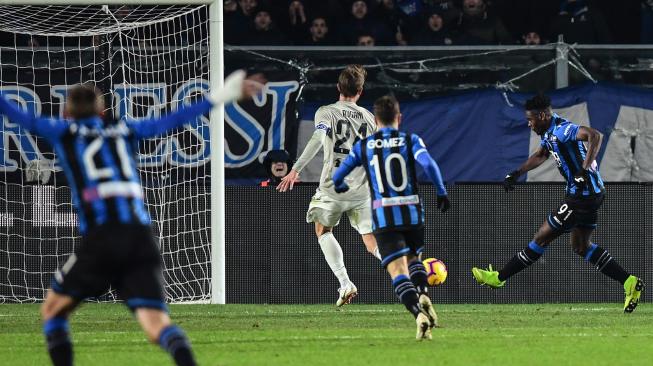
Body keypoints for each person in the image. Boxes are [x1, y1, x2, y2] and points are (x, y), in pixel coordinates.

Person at [0, 70, 260, 366]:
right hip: (140, 236)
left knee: (53, 311)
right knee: (156, 326)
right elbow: (171, 120)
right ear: (102, 111)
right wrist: (220, 96)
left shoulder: (62, 131)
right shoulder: (125, 129)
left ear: (65, 112)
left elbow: (17, 115)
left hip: (101, 239)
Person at [472, 94, 644, 313]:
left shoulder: (563, 130)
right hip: (590, 194)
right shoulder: (549, 133)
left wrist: (582, 170)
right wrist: (516, 173)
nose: (529, 123)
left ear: (542, 116)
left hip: (581, 196)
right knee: (581, 246)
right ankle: (629, 282)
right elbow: (542, 154)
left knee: (541, 238)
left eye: (531, 119)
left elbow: (595, 135)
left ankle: (499, 277)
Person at [332, 95, 450, 339]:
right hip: (412, 211)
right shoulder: (410, 140)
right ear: (399, 118)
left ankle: (418, 313)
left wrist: (339, 184)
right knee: (415, 259)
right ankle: (423, 292)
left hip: (384, 215)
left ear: (375, 120)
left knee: (398, 271)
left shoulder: (365, 146)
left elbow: (339, 174)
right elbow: (429, 165)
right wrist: (441, 191)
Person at [276, 65, 379, 307]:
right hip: (361, 188)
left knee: (323, 231)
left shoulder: (327, 112)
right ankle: (401, 274)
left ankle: (345, 283)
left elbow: (317, 139)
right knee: (369, 238)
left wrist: (296, 169)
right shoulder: (369, 118)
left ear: (338, 88)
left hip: (333, 186)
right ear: (360, 91)